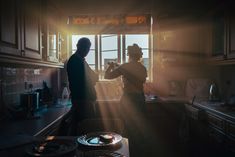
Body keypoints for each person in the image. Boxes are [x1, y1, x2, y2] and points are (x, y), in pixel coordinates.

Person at [104, 43, 148, 155]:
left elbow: (107, 76)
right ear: (139, 55)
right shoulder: (143, 68)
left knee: (127, 128)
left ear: (129, 54)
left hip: (128, 99)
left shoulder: (124, 67)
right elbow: (139, 80)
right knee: (140, 128)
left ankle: (126, 152)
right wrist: (121, 68)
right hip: (140, 98)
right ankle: (138, 152)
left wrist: (111, 66)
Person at [58, 37, 98, 135]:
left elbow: (94, 77)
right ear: (78, 46)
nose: (87, 51)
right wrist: (92, 79)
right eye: (85, 48)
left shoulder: (81, 60)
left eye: (88, 48)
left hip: (84, 101)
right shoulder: (75, 61)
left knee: (84, 130)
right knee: (85, 131)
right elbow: (88, 80)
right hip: (83, 101)